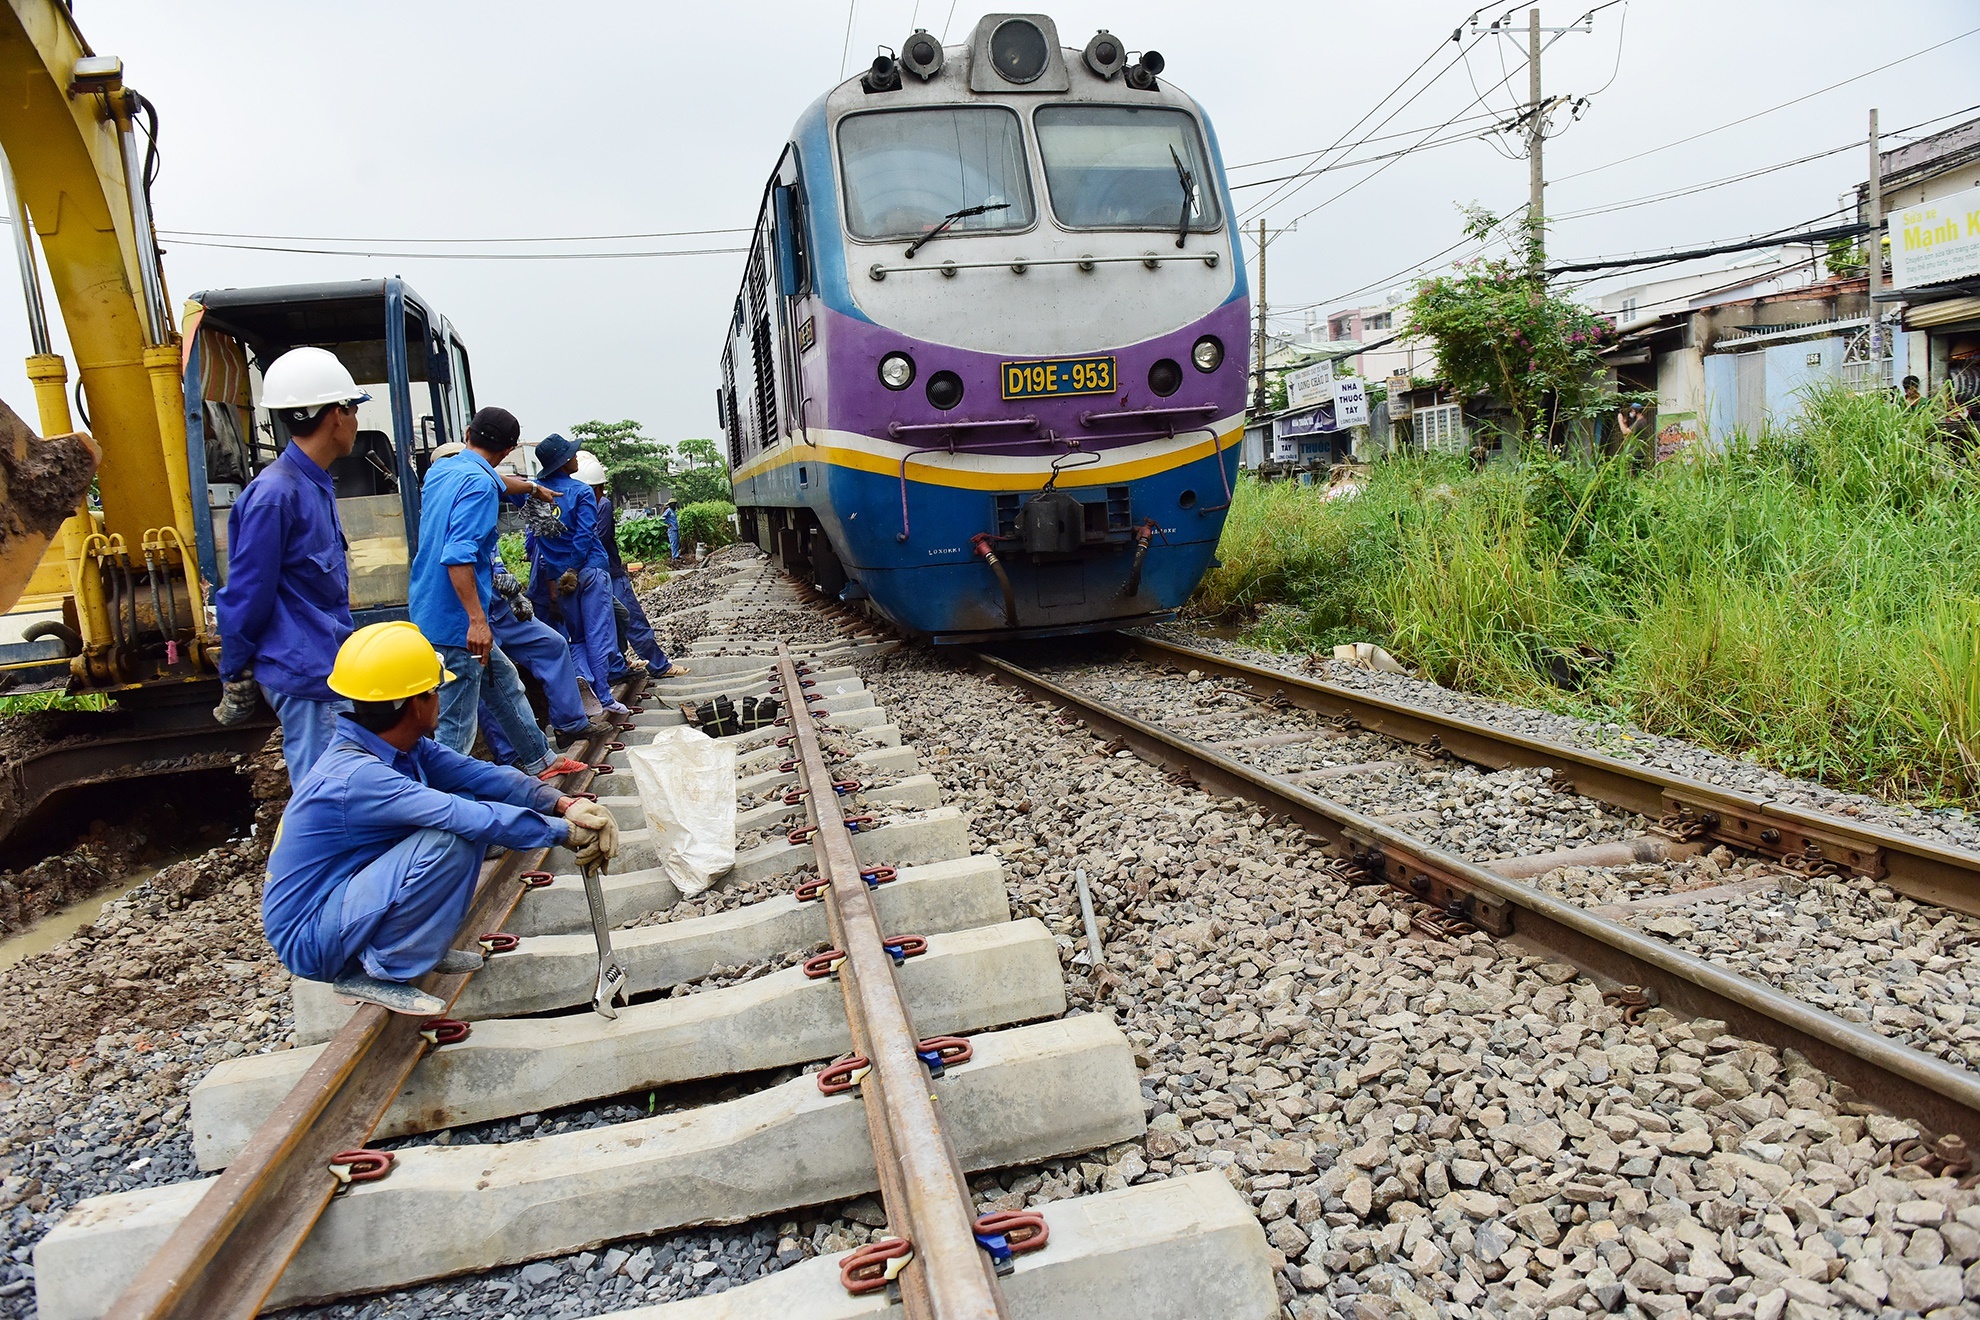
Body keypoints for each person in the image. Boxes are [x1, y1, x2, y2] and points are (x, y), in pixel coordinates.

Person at [262, 621, 620, 1014]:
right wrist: (561, 832)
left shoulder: (399, 746)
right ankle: (378, 970)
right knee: (452, 832)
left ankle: (415, 947)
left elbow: (481, 775)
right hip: (310, 936)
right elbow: (459, 815)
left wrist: (562, 804)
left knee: (466, 801)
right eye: (435, 691)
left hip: (340, 903)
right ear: (415, 703)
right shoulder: (358, 776)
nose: (440, 698)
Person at [213, 347, 369, 784]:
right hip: (305, 675)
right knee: (328, 796)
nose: (356, 420)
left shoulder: (309, 484)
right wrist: (234, 669)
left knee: (347, 790)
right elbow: (247, 593)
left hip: (327, 667)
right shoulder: (276, 496)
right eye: (353, 408)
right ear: (336, 414)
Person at [407, 408, 565, 770]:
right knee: (456, 726)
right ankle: (447, 808)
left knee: (504, 683)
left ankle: (540, 759)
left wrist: (529, 487)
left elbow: (492, 478)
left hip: (429, 605)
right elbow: (458, 557)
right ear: (508, 450)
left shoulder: (443, 470)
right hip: (458, 622)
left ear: (467, 433)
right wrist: (477, 621)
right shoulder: (479, 487)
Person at [529, 434, 632, 718]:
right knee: (599, 635)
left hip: (562, 580)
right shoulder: (582, 492)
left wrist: (558, 578)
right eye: (573, 456)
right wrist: (575, 567)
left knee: (577, 638)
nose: (577, 459)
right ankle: (604, 696)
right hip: (589, 571)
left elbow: (540, 541)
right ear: (564, 463)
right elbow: (586, 534)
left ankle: (582, 680)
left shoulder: (535, 493)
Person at [577, 450, 688, 679]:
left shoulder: (597, 506)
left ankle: (643, 664)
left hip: (600, 575)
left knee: (621, 620)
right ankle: (644, 665)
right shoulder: (595, 505)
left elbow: (596, 538)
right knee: (625, 621)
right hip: (605, 575)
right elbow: (596, 538)